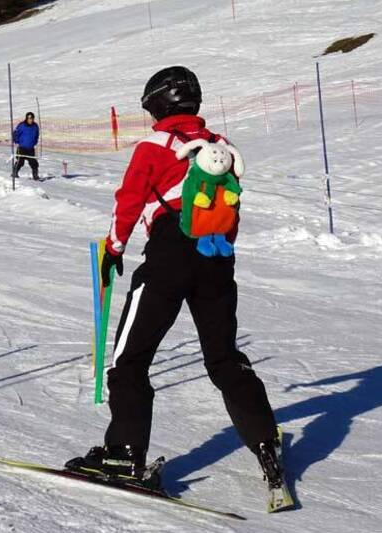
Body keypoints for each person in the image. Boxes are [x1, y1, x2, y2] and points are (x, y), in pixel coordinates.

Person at [66, 66, 283, 493]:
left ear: (161, 103)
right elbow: (229, 208)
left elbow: (129, 200)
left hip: (169, 254)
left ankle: (124, 456)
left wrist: (114, 248)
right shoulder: (221, 147)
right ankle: (265, 442)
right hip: (217, 256)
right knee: (223, 358)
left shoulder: (155, 145)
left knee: (130, 361)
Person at [11, 111, 40, 180]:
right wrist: (16, 141)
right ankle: (14, 173)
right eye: (29, 118)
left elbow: (37, 135)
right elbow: (15, 133)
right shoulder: (22, 125)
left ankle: (35, 175)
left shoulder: (35, 126)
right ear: (26, 118)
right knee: (20, 161)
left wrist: (35, 142)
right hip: (22, 148)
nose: (31, 120)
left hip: (31, 148)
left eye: (32, 118)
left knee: (33, 162)